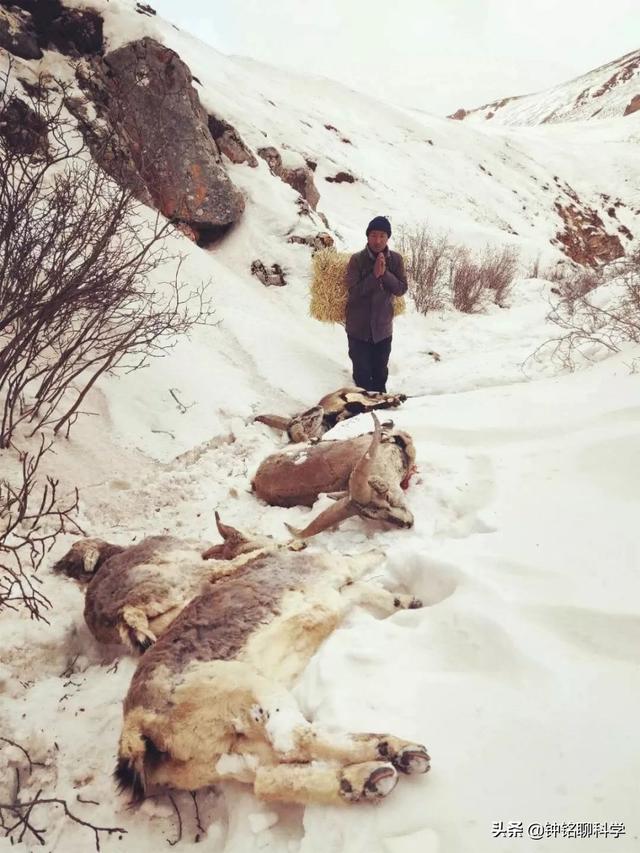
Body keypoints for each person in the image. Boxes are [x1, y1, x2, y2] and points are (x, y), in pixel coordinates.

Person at [344, 215, 408, 393]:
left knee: (380, 376)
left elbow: (401, 289)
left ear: (388, 237)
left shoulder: (396, 260)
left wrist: (385, 273)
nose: (377, 240)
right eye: (373, 235)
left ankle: (380, 412)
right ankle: (361, 418)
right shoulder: (356, 260)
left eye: (382, 235)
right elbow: (354, 293)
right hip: (358, 330)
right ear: (367, 236)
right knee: (362, 377)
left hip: (382, 330)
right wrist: (374, 276)